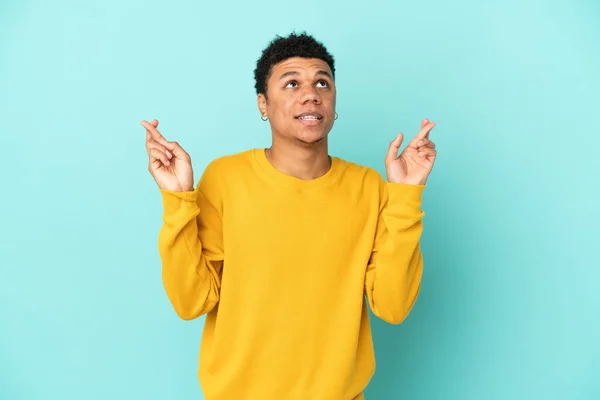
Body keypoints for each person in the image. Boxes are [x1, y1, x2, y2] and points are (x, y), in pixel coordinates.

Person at [142, 32, 437, 400]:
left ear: (333, 102)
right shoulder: (225, 179)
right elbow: (191, 302)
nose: (311, 93)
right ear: (262, 104)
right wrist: (178, 198)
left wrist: (407, 196)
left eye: (322, 83)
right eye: (292, 83)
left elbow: (392, 307)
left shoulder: (370, 187)